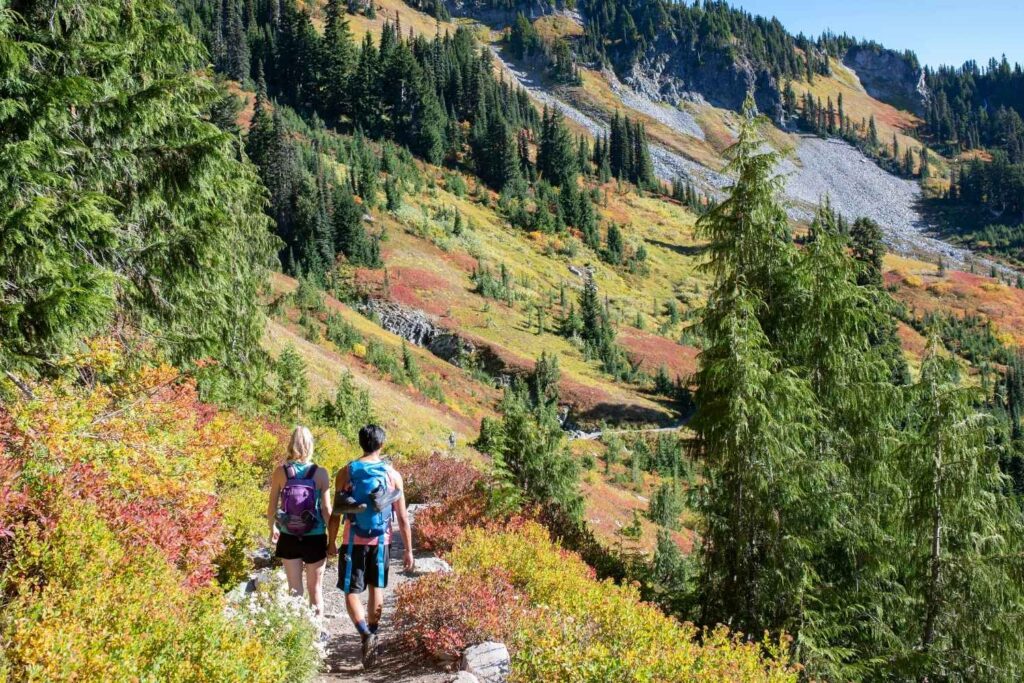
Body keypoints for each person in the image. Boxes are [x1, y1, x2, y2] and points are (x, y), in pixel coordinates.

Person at [328, 424, 414, 669]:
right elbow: (402, 518)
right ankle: (373, 632)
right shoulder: (392, 475)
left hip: (352, 539)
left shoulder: (346, 472)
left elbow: (336, 512)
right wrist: (408, 550)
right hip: (381, 540)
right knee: (377, 587)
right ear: (382, 444)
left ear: (360, 443)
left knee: (351, 591)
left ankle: (364, 633)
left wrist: (331, 541)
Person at [267, 426, 332, 638]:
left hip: (288, 536)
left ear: (290, 444)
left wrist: (272, 528)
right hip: (315, 537)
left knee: (294, 590)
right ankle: (317, 636)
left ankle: (298, 637)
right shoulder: (321, 473)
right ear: (311, 445)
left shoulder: (280, 472)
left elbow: (272, 506)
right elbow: (327, 510)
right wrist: (333, 539)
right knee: (316, 590)